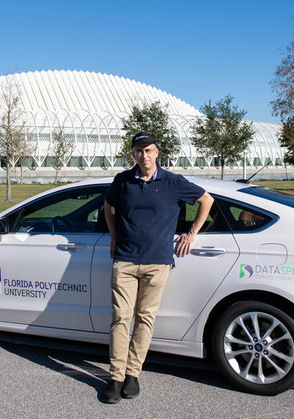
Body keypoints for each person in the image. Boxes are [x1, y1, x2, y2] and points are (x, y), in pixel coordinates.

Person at [101, 132, 214, 403]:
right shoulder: (123, 181)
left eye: (149, 150)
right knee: (120, 318)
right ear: (133, 154)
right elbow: (108, 206)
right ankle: (116, 377)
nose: (144, 156)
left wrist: (192, 233)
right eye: (139, 151)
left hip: (158, 262)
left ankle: (133, 374)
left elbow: (206, 201)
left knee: (145, 318)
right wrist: (114, 235)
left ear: (157, 152)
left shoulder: (173, 182)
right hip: (125, 260)